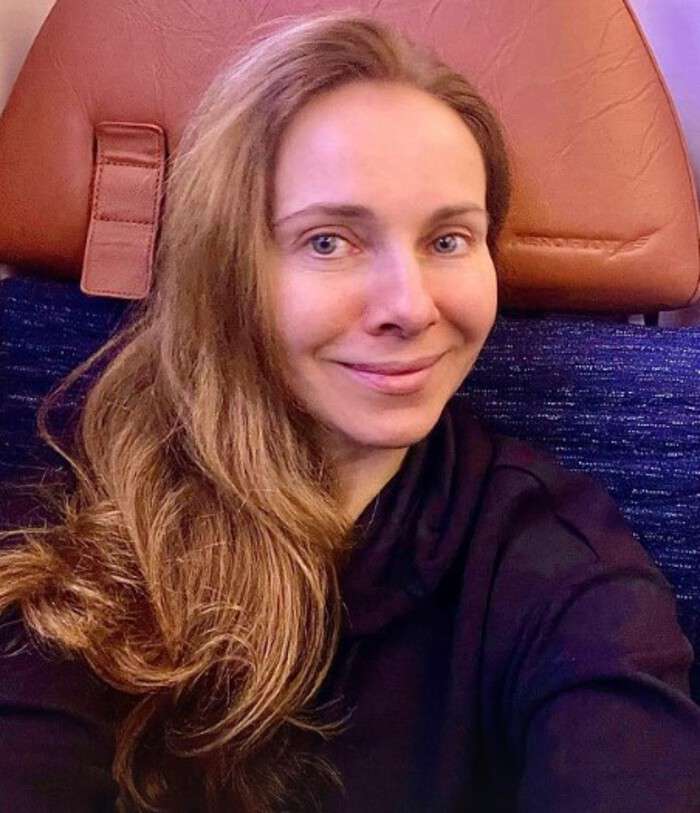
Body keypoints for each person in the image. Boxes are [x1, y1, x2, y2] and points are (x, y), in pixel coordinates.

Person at [0, 10, 699, 813]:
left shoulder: (556, 560)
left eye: (448, 240)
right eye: (329, 240)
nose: (411, 307)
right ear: (226, 271)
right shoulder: (82, 537)